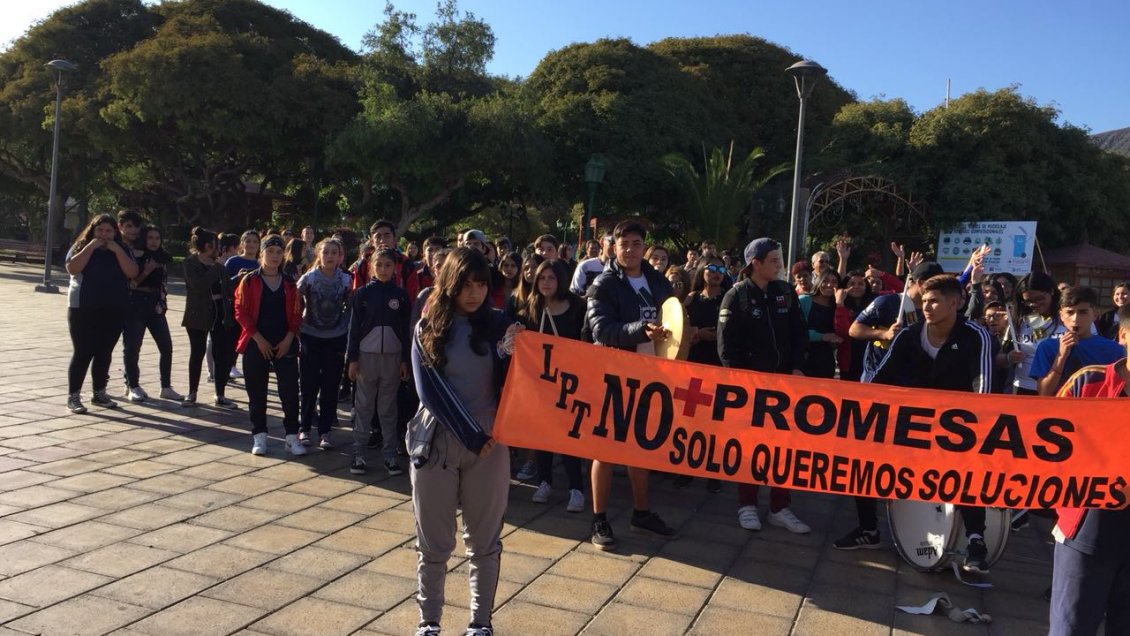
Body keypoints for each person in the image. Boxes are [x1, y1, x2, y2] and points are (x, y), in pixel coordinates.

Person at [835, 275, 994, 575]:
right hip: (916, 420)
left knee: (966, 472)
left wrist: (971, 427)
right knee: (866, 458)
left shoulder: (977, 336)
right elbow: (881, 379)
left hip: (960, 425)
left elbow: (983, 389)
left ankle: (976, 540)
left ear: (955, 303)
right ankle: (868, 529)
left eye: (934, 301)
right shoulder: (910, 335)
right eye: (924, 300)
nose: (927, 307)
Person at [409, 247, 521, 636]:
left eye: (481, 285)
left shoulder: (502, 327)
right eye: (466, 284)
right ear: (450, 283)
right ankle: (429, 621)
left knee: (485, 541)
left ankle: (480, 623)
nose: (474, 293)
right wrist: (471, 435)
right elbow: (429, 390)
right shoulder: (428, 326)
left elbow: (527, 381)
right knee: (434, 542)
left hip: (490, 445)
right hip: (438, 440)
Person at [586, 220, 678, 550]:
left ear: (644, 247)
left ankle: (641, 513)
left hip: (650, 375)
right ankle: (599, 518)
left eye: (636, 243)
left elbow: (673, 318)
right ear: (613, 246)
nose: (629, 249)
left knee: (641, 447)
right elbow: (602, 330)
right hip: (613, 373)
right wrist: (642, 330)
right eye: (623, 243)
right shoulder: (604, 284)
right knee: (606, 449)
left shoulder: (656, 280)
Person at [716, 238, 811, 534]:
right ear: (754, 263)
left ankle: (780, 507)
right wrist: (743, 383)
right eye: (772, 260)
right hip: (751, 388)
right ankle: (747, 504)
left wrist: (797, 367)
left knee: (784, 447)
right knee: (752, 447)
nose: (779, 265)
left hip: (786, 385)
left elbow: (799, 333)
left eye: (778, 259)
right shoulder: (737, 296)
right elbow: (726, 349)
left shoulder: (785, 292)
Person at [1048, 302, 1130, 636]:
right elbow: (1050, 449)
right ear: (1124, 335)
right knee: (1071, 628)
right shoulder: (1090, 383)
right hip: (1087, 527)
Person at [517, 259, 587, 512]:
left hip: (570, 381)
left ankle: (576, 488)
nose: (546, 283)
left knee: (568, 436)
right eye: (542, 278)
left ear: (561, 280)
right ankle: (544, 482)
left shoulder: (578, 308)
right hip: (541, 382)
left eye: (551, 278)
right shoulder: (530, 309)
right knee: (543, 435)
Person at [234, 235, 304, 456]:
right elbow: (240, 311)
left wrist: (289, 337)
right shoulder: (249, 280)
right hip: (257, 342)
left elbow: (296, 314)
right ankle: (259, 435)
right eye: (270, 251)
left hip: (285, 342)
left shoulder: (290, 283)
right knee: (257, 392)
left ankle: (292, 436)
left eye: (278, 252)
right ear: (261, 253)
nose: (274, 256)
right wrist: (257, 337)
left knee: (290, 391)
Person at [64, 214, 139, 413]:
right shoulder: (81, 246)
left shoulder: (122, 249)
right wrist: (91, 247)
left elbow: (132, 272)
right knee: (83, 352)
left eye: (109, 231)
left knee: (104, 352)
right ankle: (73, 396)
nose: (104, 235)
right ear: (93, 231)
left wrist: (117, 250)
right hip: (83, 307)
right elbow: (72, 268)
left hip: (114, 308)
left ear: (115, 233)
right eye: (100, 231)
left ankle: (99, 393)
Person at [347, 248, 411, 475]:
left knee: (388, 409)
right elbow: (354, 328)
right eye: (380, 265)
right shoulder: (362, 294)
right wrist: (352, 359)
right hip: (366, 357)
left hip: (393, 358)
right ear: (372, 266)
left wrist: (405, 360)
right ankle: (359, 454)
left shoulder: (401, 295)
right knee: (363, 407)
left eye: (388, 265)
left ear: (395, 268)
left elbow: (405, 331)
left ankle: (390, 455)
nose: (384, 270)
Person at [672, 256, 731, 493]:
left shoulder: (730, 298)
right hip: (694, 366)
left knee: (715, 422)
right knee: (689, 419)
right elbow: (679, 329)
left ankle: (712, 471)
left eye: (720, 269)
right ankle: (685, 468)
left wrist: (717, 336)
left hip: (718, 366)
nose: (716, 273)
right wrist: (697, 333)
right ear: (702, 271)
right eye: (711, 268)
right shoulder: (691, 299)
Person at [296, 238, 352, 449]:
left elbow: (351, 306)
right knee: (309, 385)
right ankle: (304, 428)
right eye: (326, 252)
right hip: (311, 335)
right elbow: (294, 301)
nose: (330, 256)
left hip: (336, 338)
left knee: (331, 386)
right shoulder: (308, 279)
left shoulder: (347, 279)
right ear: (319, 255)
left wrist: (345, 327)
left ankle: (325, 431)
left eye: (334, 252)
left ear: (340, 256)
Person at [849, 261, 943, 383]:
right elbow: (854, 329)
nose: (941, 292)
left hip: (913, 380)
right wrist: (884, 334)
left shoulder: (936, 308)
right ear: (921, 283)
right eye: (937, 287)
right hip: (878, 377)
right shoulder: (886, 302)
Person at [122, 225, 181, 402]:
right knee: (133, 348)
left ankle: (166, 386)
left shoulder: (161, 257)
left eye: (157, 238)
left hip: (155, 306)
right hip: (136, 304)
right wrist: (145, 272)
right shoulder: (135, 256)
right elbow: (131, 284)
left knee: (166, 347)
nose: (154, 242)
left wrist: (163, 303)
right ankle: (133, 386)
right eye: (150, 238)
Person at [182, 227, 237, 409]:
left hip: (221, 314)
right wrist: (217, 267)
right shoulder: (190, 263)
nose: (219, 248)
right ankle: (192, 393)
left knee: (222, 354)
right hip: (198, 314)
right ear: (208, 246)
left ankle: (220, 394)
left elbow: (228, 289)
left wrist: (240, 278)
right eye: (216, 245)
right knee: (196, 353)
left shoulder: (218, 265)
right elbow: (199, 286)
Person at [1033, 287, 1124, 396]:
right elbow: (1044, 392)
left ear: (1095, 314)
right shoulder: (1047, 347)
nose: (1075, 319)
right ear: (1061, 315)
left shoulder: (1113, 349)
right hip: (1059, 410)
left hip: (1096, 409)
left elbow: (1120, 389)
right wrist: (1061, 357)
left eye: (1083, 312)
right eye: (1070, 312)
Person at [1013, 272, 1066, 395]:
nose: (1034, 304)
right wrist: (1009, 357)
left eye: (1039, 298)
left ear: (1052, 292)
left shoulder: (1068, 316)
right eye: (1028, 301)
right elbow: (1000, 356)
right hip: (1023, 386)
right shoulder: (1019, 318)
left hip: (1059, 388)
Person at [798, 269, 847, 379]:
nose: (829, 285)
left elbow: (843, 331)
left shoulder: (838, 305)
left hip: (826, 361)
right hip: (804, 358)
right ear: (818, 282)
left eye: (834, 282)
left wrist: (840, 305)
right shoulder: (804, 300)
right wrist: (823, 336)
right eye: (825, 280)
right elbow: (798, 330)